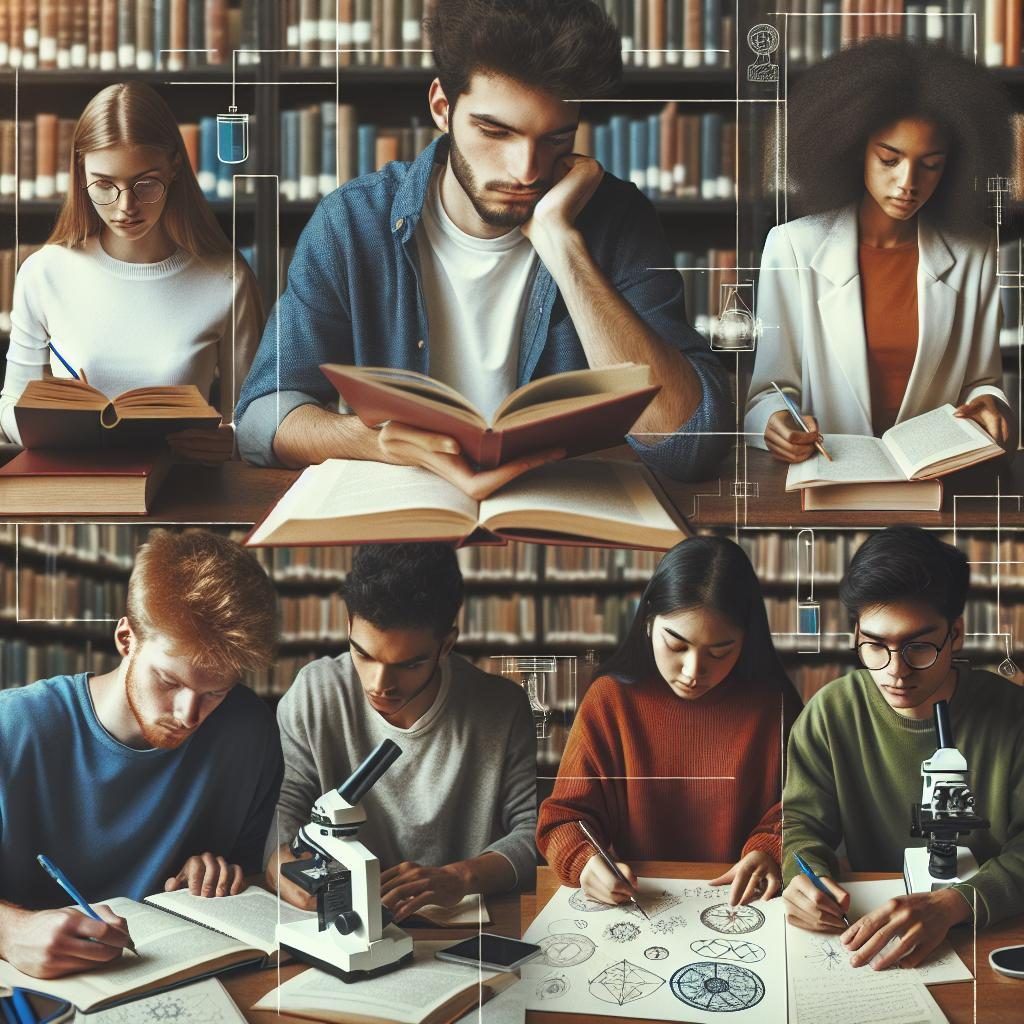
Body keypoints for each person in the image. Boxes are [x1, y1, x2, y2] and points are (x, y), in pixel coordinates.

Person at [235, 0, 730, 492]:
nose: (527, 170)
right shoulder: (352, 223)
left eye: (556, 138)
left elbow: (690, 443)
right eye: (495, 131)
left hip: (557, 523)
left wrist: (563, 245)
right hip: (405, 525)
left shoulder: (618, 219)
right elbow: (262, 416)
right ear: (442, 108)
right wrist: (377, 441)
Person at [0, 529, 283, 979]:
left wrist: (214, 875)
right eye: (170, 682)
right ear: (126, 638)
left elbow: (250, 876)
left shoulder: (248, 733)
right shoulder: (13, 728)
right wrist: (8, 930)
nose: (189, 714)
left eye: (215, 692)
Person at [745, 38, 1013, 462]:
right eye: (890, 159)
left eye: (930, 164)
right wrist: (774, 423)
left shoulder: (975, 252)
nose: (909, 182)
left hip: (934, 477)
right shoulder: (792, 247)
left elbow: (981, 380)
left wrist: (990, 405)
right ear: (855, 151)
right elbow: (770, 393)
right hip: (830, 474)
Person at [782, 526, 1024, 971]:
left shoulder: (1015, 715)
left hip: (990, 935)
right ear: (855, 631)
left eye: (918, 647)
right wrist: (803, 876)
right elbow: (801, 824)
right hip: (869, 933)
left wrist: (954, 903)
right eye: (874, 645)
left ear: (956, 634)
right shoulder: (831, 713)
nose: (896, 671)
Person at [266, 543, 537, 923]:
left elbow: (533, 833)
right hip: (340, 921)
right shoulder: (313, 694)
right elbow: (282, 813)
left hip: (458, 932)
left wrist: (459, 877)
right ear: (347, 624)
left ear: (446, 645)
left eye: (409, 664)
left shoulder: (502, 708)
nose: (380, 685)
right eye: (364, 655)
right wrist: (278, 862)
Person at [0, 81, 264, 457]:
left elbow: (253, 417)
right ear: (81, 173)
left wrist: (232, 439)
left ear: (174, 168)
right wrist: (48, 425)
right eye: (104, 185)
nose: (126, 207)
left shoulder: (226, 278)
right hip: (78, 488)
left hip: (185, 495)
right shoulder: (43, 273)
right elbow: (10, 402)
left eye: (145, 184)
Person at [537, 536, 802, 908]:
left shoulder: (772, 704)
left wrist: (770, 848)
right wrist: (584, 862)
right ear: (648, 622)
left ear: (746, 641)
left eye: (720, 651)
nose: (694, 672)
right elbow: (563, 818)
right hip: (643, 900)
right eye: (677, 645)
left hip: (744, 904)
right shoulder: (611, 699)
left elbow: (803, 809)